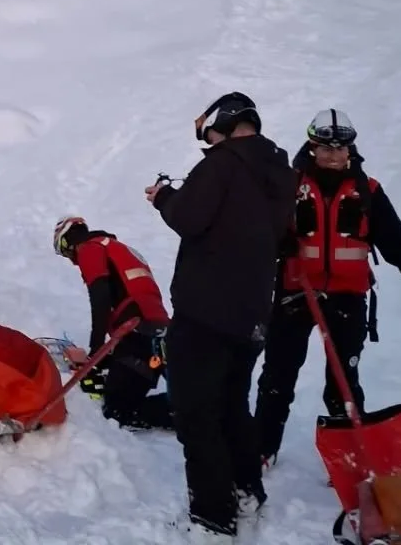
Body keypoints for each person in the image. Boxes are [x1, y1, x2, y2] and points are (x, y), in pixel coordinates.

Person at [255, 109, 401, 466]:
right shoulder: (290, 185)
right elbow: (258, 232)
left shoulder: (368, 191)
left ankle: (350, 458)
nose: (333, 155)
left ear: (351, 150)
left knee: (344, 382)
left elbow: (397, 249)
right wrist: (279, 243)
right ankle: (261, 449)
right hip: (295, 293)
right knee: (278, 376)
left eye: (341, 148)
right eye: (325, 147)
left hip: (347, 297)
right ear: (312, 147)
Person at [148, 92, 296, 540]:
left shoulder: (221, 163)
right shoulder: (281, 171)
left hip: (205, 310)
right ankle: (246, 491)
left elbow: (190, 218)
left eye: (210, 131)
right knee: (233, 405)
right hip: (251, 313)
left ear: (224, 123)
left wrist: (164, 197)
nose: (208, 141)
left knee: (196, 412)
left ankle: (213, 516)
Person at [53, 216, 172, 430]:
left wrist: (95, 350)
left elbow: (100, 299)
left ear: (69, 239)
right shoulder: (119, 249)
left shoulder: (90, 249)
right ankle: (188, 409)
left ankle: (181, 413)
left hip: (137, 332)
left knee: (117, 412)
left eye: (64, 250)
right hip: (158, 333)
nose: (71, 259)